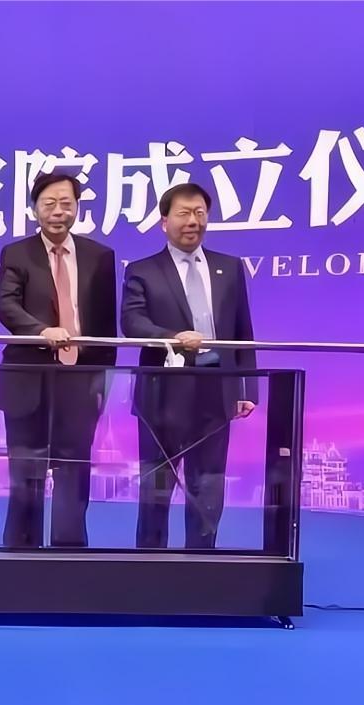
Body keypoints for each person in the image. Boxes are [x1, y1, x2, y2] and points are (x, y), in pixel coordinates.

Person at [122, 181, 258, 549]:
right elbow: (132, 322)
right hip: (161, 398)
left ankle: (201, 562)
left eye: (200, 213)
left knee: (208, 486)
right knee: (157, 487)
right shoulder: (143, 270)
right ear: (164, 222)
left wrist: (248, 388)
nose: (193, 221)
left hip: (215, 392)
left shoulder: (229, 267)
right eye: (184, 213)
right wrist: (173, 336)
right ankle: (150, 562)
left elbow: (243, 329)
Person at [0, 171, 117, 548]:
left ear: (77, 207)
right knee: (25, 473)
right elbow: (6, 305)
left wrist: (103, 380)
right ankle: (21, 553)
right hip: (27, 379)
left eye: (66, 203)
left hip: (79, 381)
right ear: (35, 209)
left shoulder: (100, 256)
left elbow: (106, 324)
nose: (58, 211)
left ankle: (70, 552)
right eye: (49, 204)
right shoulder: (17, 253)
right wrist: (41, 330)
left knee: (74, 471)